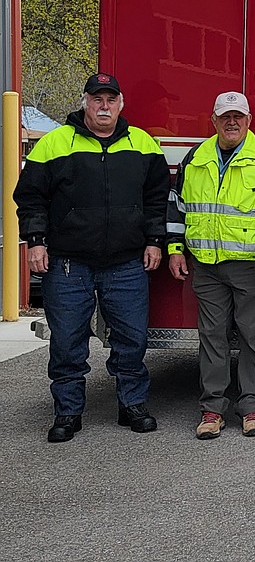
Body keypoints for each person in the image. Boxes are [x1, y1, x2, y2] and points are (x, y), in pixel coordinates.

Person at [14, 73, 169, 443]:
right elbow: (31, 197)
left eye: (110, 99)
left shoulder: (143, 143)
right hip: (68, 263)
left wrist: (154, 241)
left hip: (127, 262)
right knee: (67, 342)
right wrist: (35, 241)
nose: (104, 106)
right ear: (85, 102)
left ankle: (132, 405)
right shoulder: (54, 143)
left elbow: (157, 198)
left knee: (132, 340)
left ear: (121, 104)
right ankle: (67, 412)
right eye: (97, 99)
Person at [166, 91, 255, 439]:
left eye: (238, 116)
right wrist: (176, 249)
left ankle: (251, 408)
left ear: (249, 121)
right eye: (225, 117)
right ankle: (212, 410)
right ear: (214, 121)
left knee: (252, 336)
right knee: (212, 338)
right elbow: (177, 206)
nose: (231, 122)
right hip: (205, 264)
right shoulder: (196, 157)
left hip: (250, 266)